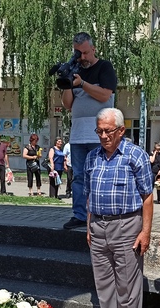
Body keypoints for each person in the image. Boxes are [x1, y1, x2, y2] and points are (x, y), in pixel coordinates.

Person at [85, 108, 153, 308]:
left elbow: (148, 196)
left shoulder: (135, 155)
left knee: (127, 286)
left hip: (126, 226)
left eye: (108, 131)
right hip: (98, 226)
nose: (103, 136)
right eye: (99, 131)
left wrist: (145, 232)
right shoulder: (92, 157)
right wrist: (89, 226)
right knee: (104, 286)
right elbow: (89, 196)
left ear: (121, 130)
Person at [61, 32, 117, 230]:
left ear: (93, 49)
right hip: (78, 135)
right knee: (78, 177)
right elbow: (67, 104)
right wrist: (67, 82)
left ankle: (101, 215)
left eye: (85, 53)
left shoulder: (104, 67)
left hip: (100, 135)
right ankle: (79, 215)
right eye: (78, 53)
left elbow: (104, 96)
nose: (82, 57)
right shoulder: (75, 69)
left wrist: (82, 84)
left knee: (100, 175)